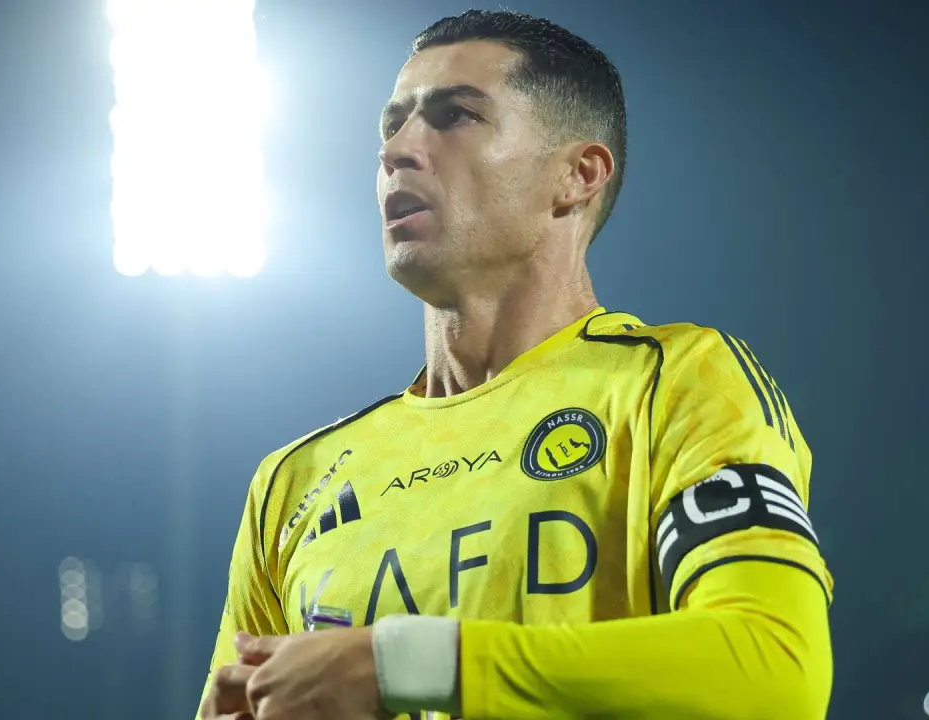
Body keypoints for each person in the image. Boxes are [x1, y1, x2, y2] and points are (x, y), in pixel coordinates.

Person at [198, 9, 833, 720]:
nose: (397, 150)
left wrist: (400, 665)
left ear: (576, 176)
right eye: (393, 124)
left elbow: (774, 667)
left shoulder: (674, 383)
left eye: (455, 116)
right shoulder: (295, 480)